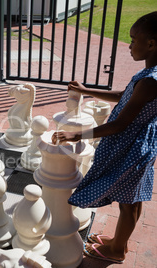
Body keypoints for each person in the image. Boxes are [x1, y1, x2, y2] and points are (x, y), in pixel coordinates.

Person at [52, 11, 157, 264]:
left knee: (129, 202)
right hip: (137, 144)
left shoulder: (151, 80)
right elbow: (126, 95)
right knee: (131, 198)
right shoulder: (149, 75)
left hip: (133, 146)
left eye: (134, 39)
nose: (130, 45)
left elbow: (120, 124)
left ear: (152, 43)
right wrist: (86, 90)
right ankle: (118, 242)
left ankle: (117, 250)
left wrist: (76, 134)